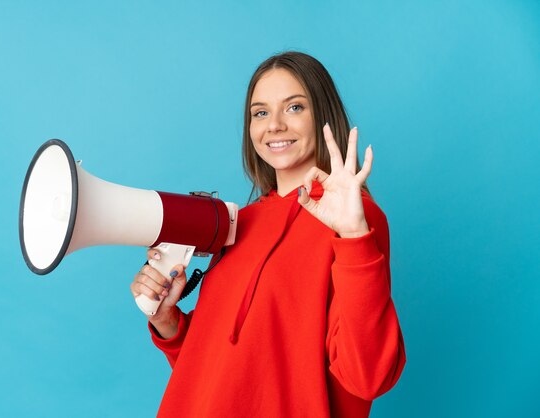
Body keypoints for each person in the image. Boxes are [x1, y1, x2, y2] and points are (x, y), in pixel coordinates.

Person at [130, 51, 406, 417]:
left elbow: (368, 376)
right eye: (260, 112)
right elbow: (219, 372)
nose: (273, 125)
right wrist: (169, 325)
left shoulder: (354, 218)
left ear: (323, 115)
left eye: (294, 108)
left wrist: (354, 235)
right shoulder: (237, 223)